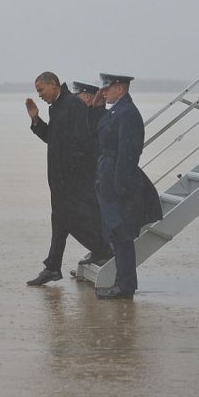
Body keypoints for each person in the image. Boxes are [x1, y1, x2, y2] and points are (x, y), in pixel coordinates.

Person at [24, 71, 113, 286]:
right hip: (61, 181)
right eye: (38, 92)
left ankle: (103, 249)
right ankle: (53, 267)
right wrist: (36, 119)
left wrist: (74, 175)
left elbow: (84, 143)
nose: (40, 95)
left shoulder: (72, 106)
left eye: (41, 90)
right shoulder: (58, 107)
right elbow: (53, 140)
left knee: (71, 219)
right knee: (60, 221)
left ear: (54, 85)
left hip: (73, 180)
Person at [91, 73, 163, 299]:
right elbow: (98, 137)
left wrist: (119, 185)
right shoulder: (114, 112)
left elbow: (129, 152)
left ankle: (126, 285)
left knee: (121, 233)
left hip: (117, 179)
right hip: (107, 175)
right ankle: (122, 283)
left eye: (107, 88)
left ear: (120, 88)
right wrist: (95, 109)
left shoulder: (128, 113)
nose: (103, 92)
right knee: (114, 231)